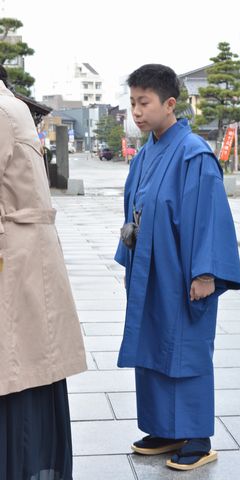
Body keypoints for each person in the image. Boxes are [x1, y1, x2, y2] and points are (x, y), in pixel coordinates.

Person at [115, 64, 240, 471]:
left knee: (184, 347)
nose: (136, 111)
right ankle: (166, 428)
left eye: (144, 102)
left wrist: (205, 273)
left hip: (183, 271)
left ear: (170, 104)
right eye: (132, 102)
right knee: (152, 345)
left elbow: (209, 216)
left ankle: (197, 436)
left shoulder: (193, 153)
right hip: (150, 267)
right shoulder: (147, 152)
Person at [0, 65, 87, 480]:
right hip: (24, 256)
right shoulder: (9, 105)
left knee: (15, 372)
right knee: (28, 371)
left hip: (13, 261)